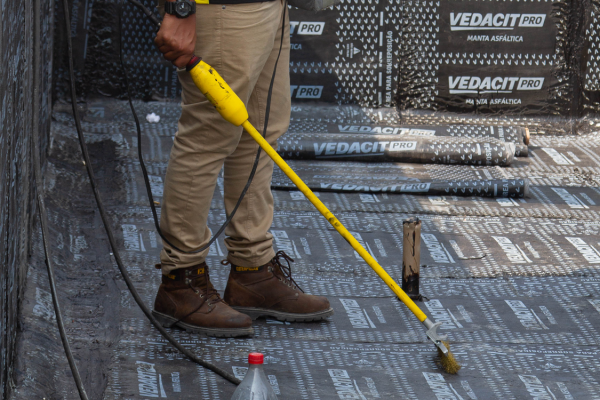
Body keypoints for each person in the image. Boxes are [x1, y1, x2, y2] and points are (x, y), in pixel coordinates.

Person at [150, 0, 333, 337]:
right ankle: (181, 282)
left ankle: (253, 271)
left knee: (261, 131)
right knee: (207, 135)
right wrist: (179, 8)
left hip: (267, 6)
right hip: (221, 9)